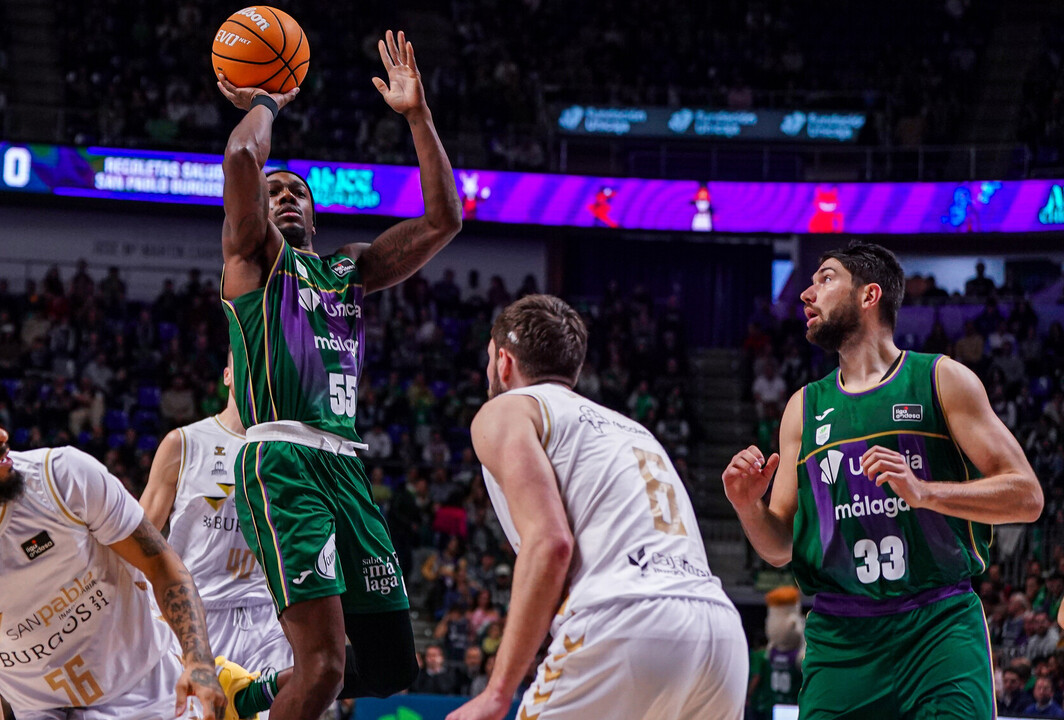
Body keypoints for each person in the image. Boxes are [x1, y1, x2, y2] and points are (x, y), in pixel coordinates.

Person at [215, 28, 461, 720]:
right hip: (282, 458)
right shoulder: (251, 261)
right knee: (321, 670)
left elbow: (445, 218)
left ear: (316, 214)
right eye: (274, 190)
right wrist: (267, 98)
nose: (286, 195)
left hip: (345, 468)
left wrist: (418, 117)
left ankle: (251, 693)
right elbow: (240, 153)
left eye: (298, 190)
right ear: (255, 211)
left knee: (388, 667)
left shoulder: (349, 267)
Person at [723, 242, 1042, 719]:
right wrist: (748, 506)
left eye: (825, 279)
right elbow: (780, 546)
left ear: (870, 295)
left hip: (938, 625)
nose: (807, 294)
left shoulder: (941, 379)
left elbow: (1027, 496)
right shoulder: (802, 409)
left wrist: (925, 492)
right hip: (841, 636)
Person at [449, 295, 747, 720]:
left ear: (503, 362)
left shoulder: (505, 411)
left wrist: (497, 692)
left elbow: (551, 543)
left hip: (627, 618)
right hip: (719, 634)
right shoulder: (631, 428)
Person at [0, 380, 240, 720]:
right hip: (41, 711)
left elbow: (160, 562)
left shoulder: (62, 477)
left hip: (146, 693)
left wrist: (198, 661)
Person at [139, 360, 293, 679]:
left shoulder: (290, 452)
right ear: (226, 375)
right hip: (193, 614)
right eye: (245, 358)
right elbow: (140, 534)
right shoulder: (183, 442)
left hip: (265, 618)